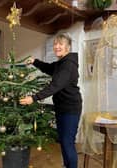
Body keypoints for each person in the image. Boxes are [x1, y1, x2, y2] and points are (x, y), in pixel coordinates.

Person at [20, 33, 82, 168]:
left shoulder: (68, 64)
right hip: (61, 108)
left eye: (60, 44)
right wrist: (35, 61)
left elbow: (56, 85)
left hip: (70, 109)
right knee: (64, 141)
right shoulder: (61, 63)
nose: (57, 47)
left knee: (67, 142)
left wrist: (34, 98)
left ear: (68, 47)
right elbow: (49, 68)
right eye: (55, 44)